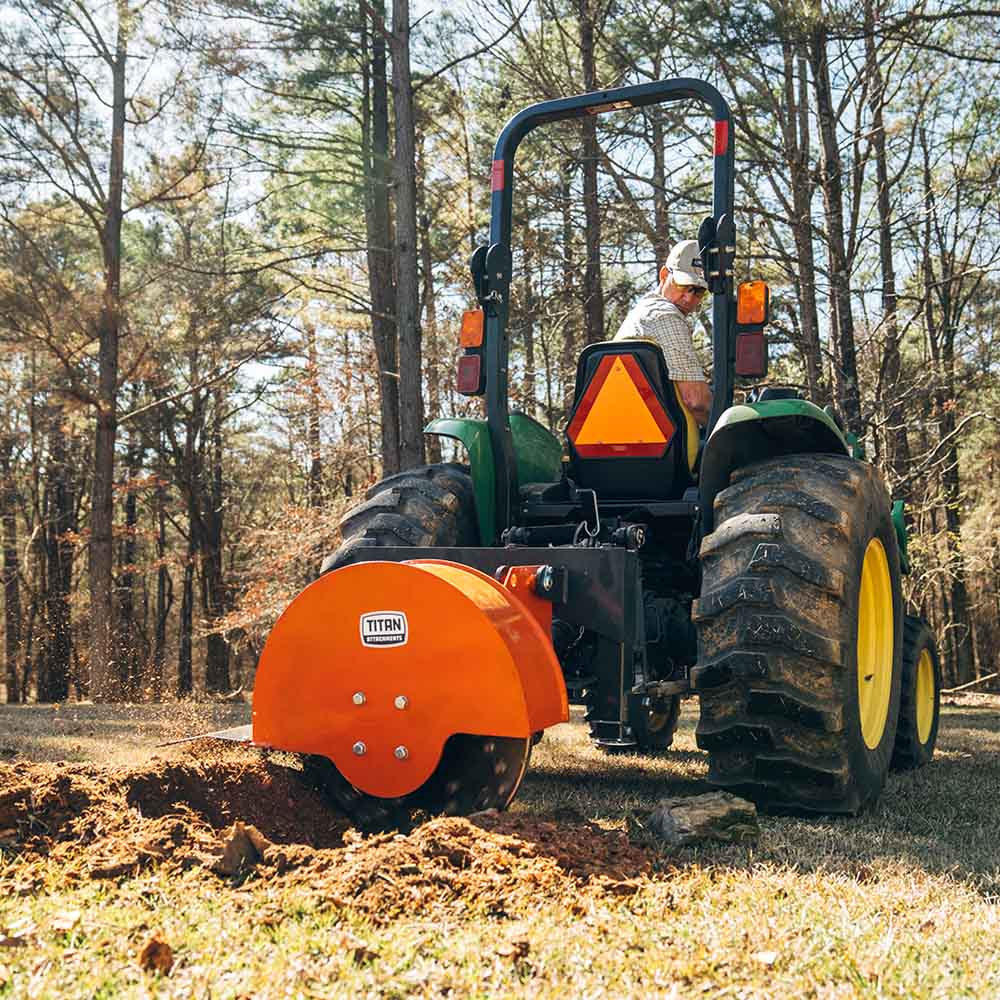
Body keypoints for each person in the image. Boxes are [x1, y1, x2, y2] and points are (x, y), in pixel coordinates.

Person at [613, 239, 713, 426]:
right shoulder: (666, 315)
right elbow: (696, 401)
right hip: (660, 441)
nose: (689, 298)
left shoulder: (641, 313)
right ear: (664, 274)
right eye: (683, 285)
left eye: (699, 292)